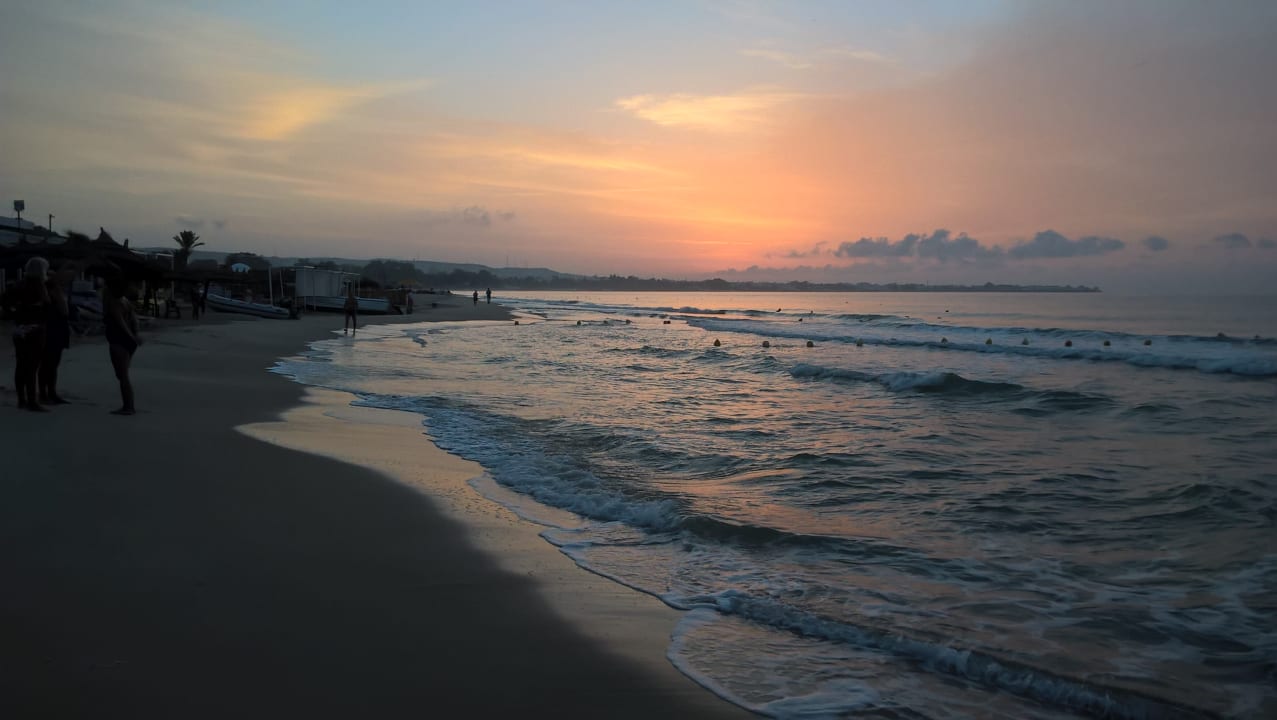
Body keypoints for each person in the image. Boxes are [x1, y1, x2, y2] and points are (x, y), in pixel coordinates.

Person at [10, 257, 51, 411]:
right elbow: (47, 308)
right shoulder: (40, 286)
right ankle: (32, 401)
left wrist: (16, 314)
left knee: (20, 364)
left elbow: (5, 302)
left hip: (19, 328)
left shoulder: (18, 284)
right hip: (35, 329)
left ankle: (21, 400)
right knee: (32, 366)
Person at [103, 274, 141, 415]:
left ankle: (128, 406)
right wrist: (135, 335)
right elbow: (134, 320)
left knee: (122, 375)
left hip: (119, 340)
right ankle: (128, 405)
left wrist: (132, 336)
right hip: (127, 341)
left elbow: (121, 322)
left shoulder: (115, 302)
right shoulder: (125, 301)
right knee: (122, 374)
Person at [40, 264, 75, 404]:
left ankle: (51, 392)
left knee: (53, 364)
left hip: (59, 328)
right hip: (50, 329)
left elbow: (65, 311)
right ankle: (44, 393)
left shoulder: (58, 290)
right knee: (46, 363)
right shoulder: (48, 291)